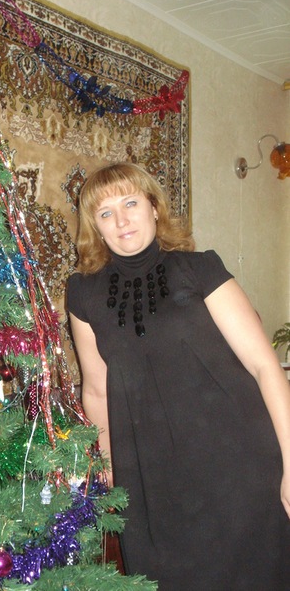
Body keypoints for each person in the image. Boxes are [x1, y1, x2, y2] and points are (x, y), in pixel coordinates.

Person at [66, 162, 290, 590]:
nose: (122, 220)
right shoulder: (83, 292)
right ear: (95, 227)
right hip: (151, 480)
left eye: (131, 203)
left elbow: (265, 366)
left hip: (239, 465)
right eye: (106, 212)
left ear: (154, 207)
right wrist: (109, 470)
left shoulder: (199, 269)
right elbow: (95, 391)